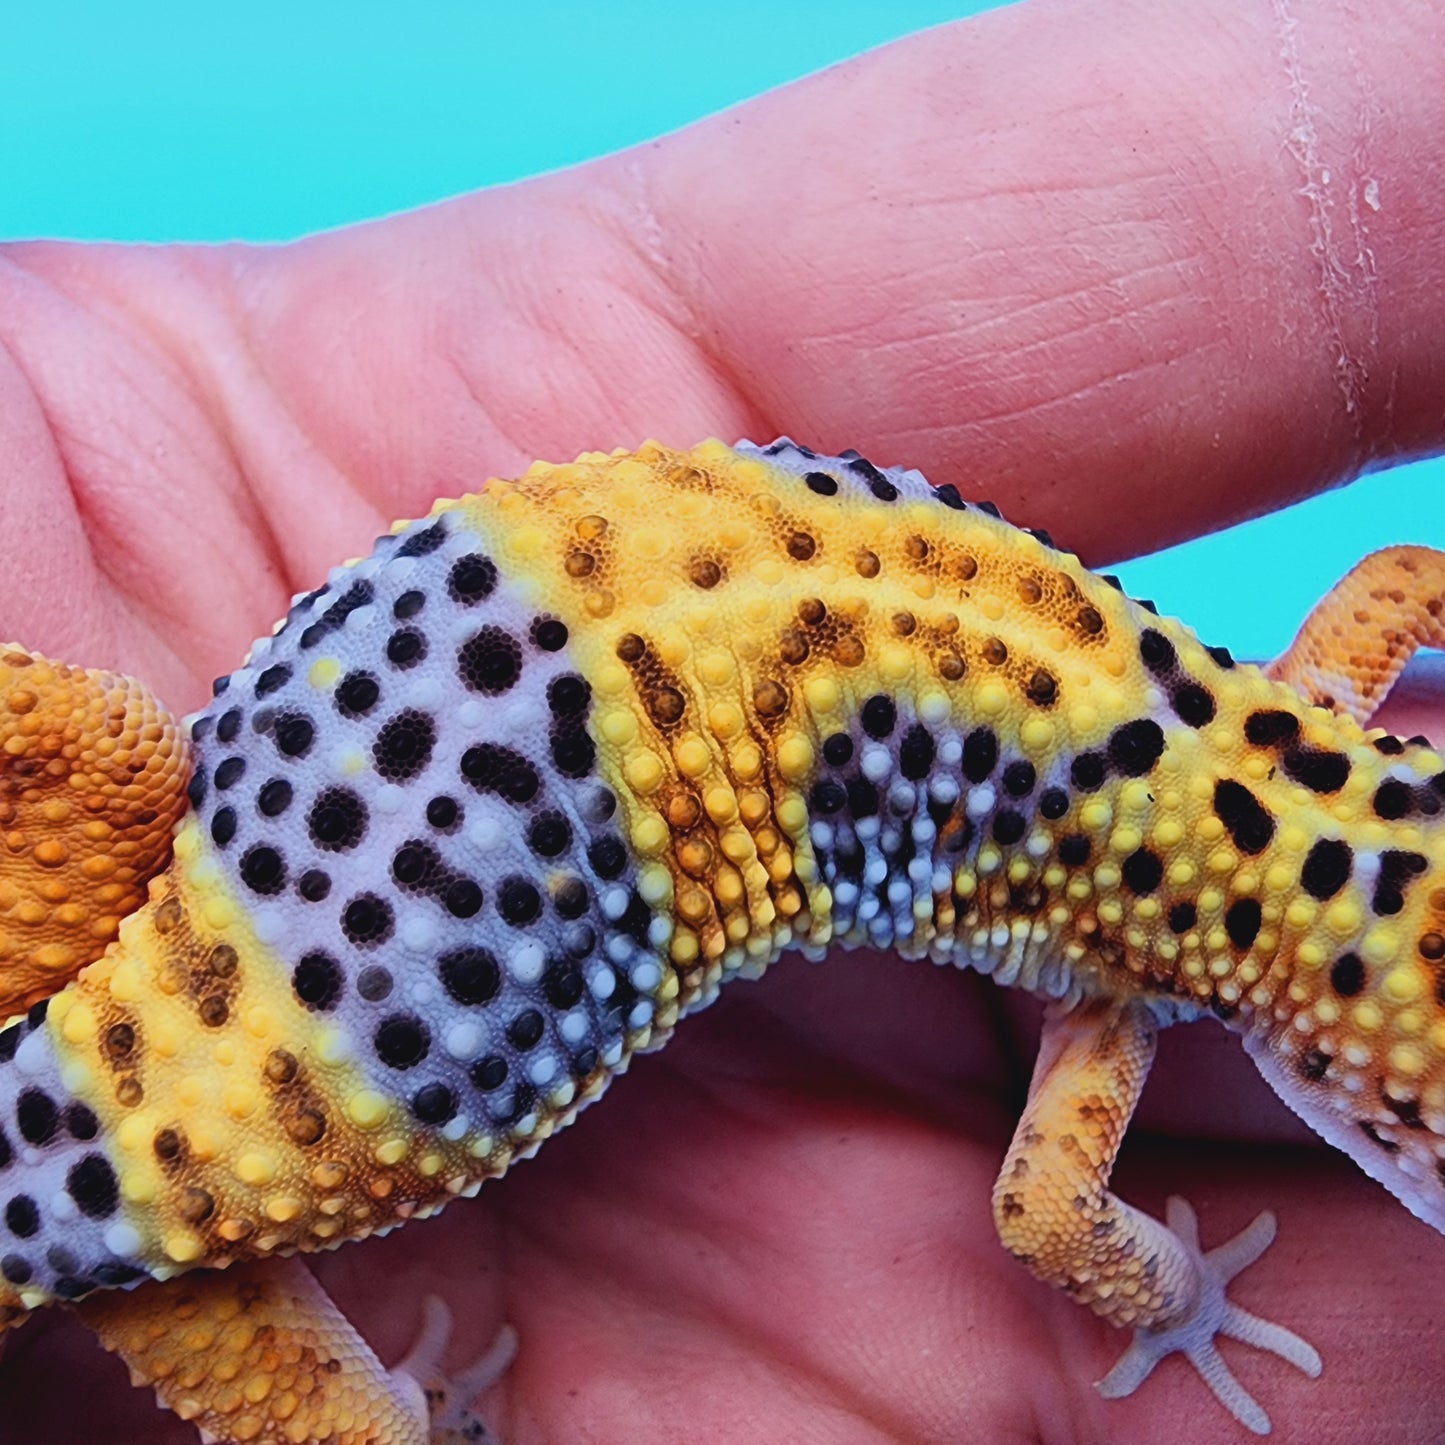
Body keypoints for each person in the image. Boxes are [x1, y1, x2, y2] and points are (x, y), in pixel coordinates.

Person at [0, 1, 1441, 1440]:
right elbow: (1047, 1215)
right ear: (1337, 1069)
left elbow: (1406, 577)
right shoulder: (1115, 1000)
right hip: (233, 1086)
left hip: (498, 666)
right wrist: (1178, 1297)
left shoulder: (1318, 686)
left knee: (125, 765)